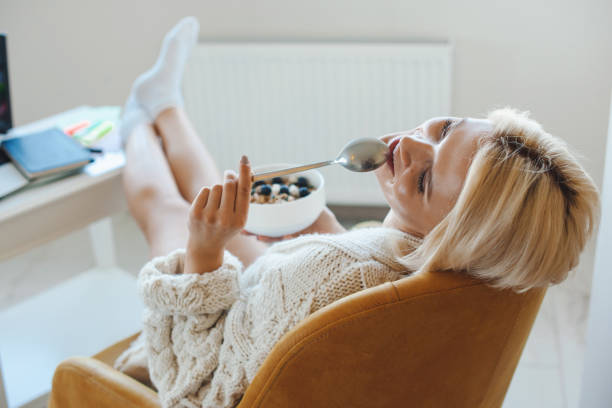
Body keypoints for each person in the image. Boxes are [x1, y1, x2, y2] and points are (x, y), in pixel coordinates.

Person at [114, 17, 599, 408]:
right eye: (445, 129)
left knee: (170, 212)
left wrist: (201, 252)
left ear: (456, 239)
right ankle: (165, 103)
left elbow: (199, 390)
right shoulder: (473, 269)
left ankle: (134, 121)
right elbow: (358, 270)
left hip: (214, 336)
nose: (408, 142)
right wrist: (327, 231)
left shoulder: (322, 277)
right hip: (268, 292)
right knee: (220, 199)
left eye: (425, 179)